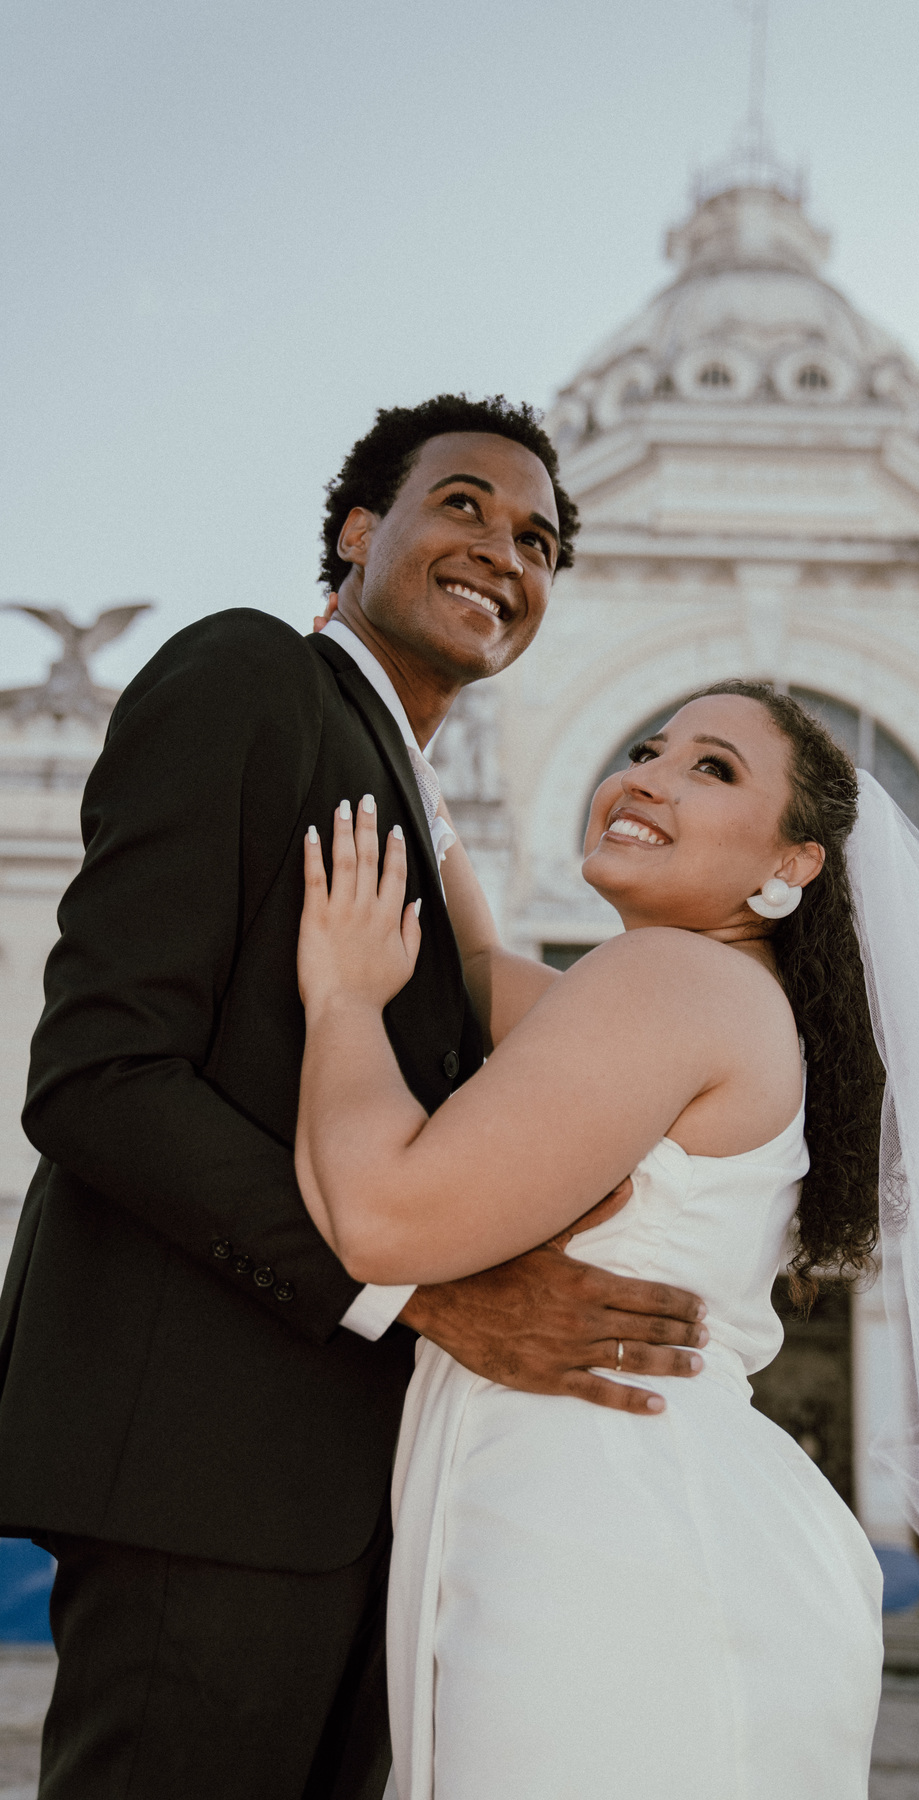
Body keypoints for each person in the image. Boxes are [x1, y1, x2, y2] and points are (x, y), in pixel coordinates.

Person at [297, 684, 919, 1800]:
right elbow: (475, 966)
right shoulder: (714, 993)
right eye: (647, 748)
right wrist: (416, 773)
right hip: (640, 1518)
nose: (647, 777)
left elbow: (381, 1218)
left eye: (713, 768)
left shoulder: (674, 980)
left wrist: (342, 1002)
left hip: (606, 1540)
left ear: (792, 864)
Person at [0, 394, 708, 1800]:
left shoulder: (424, 810)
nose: (504, 550)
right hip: (205, 1474)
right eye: (464, 505)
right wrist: (423, 1296)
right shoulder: (249, 676)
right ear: (356, 531)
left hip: (366, 1498)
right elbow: (101, 1077)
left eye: (539, 542)